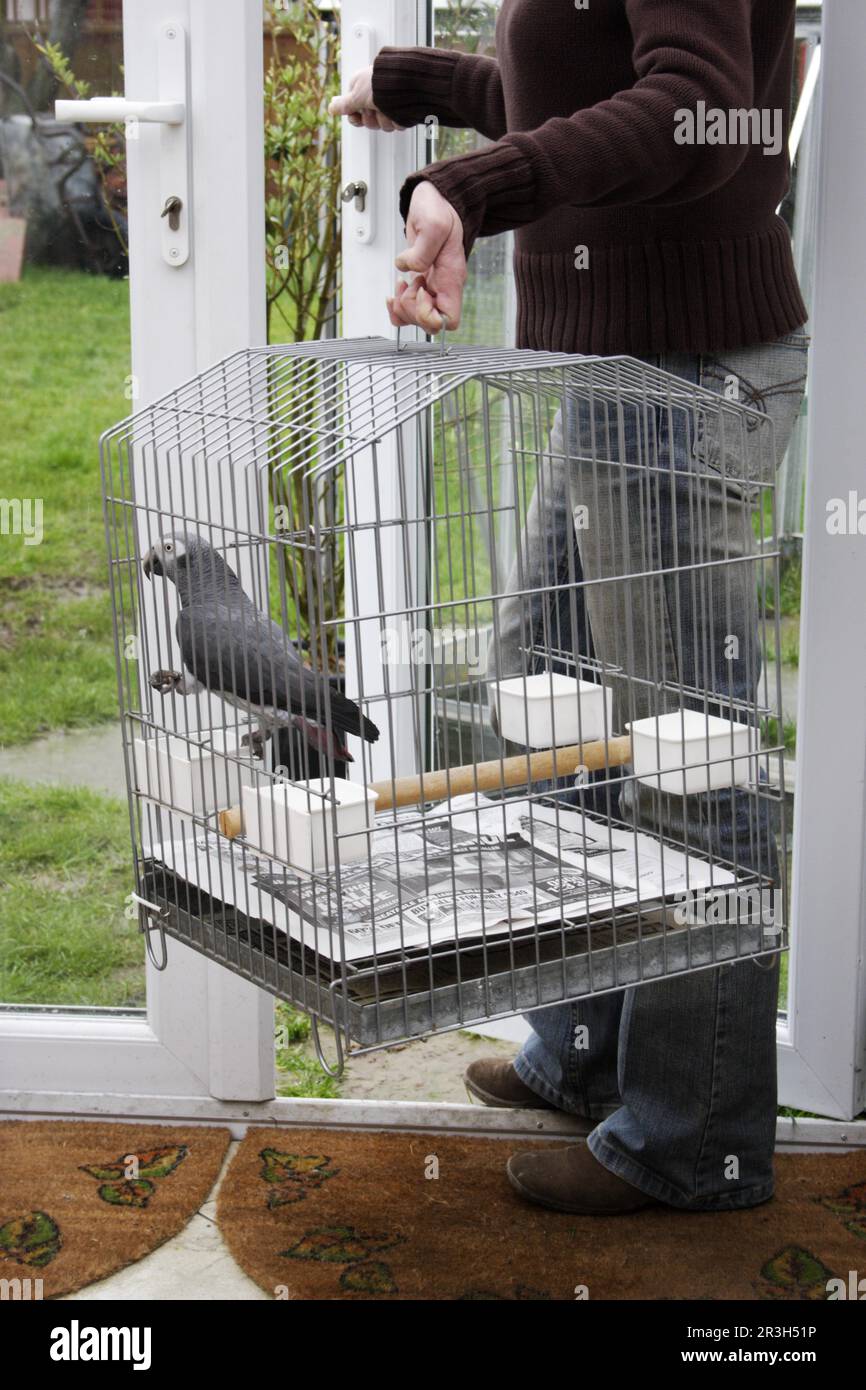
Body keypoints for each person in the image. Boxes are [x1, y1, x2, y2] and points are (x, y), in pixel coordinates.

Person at [330, 0, 809, 1216]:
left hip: (671, 379)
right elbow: (588, 102)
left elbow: (689, 115)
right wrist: (426, 81)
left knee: (685, 759)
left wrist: (468, 189)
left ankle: (691, 1133)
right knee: (544, 696)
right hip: (616, 372)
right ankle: (587, 1046)